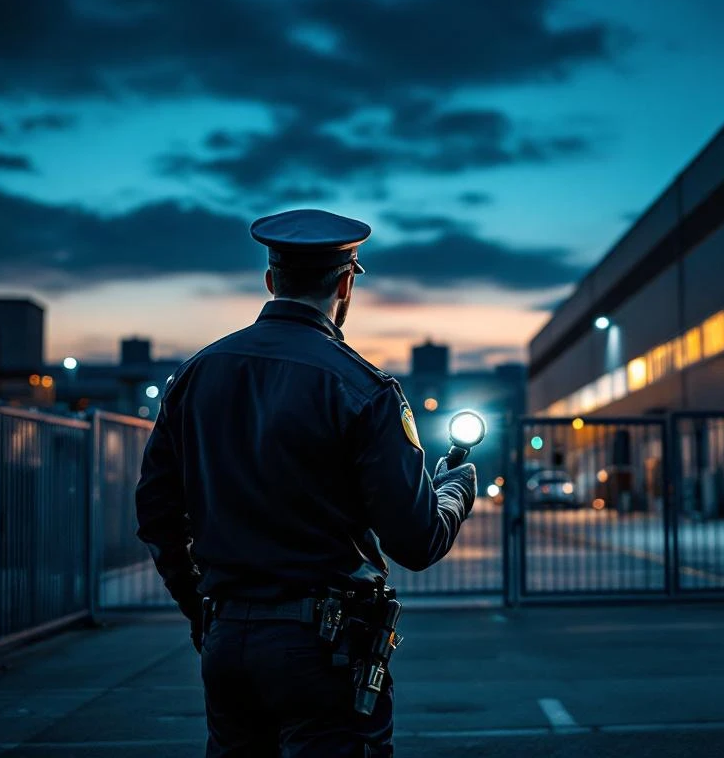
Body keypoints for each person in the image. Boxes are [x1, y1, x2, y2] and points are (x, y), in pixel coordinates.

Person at [135, 208, 477, 757]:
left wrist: (200, 610)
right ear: (346, 283)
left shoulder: (197, 374)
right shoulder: (365, 389)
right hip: (324, 651)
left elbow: (155, 512)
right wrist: (455, 490)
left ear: (271, 280)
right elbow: (415, 541)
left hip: (227, 639)